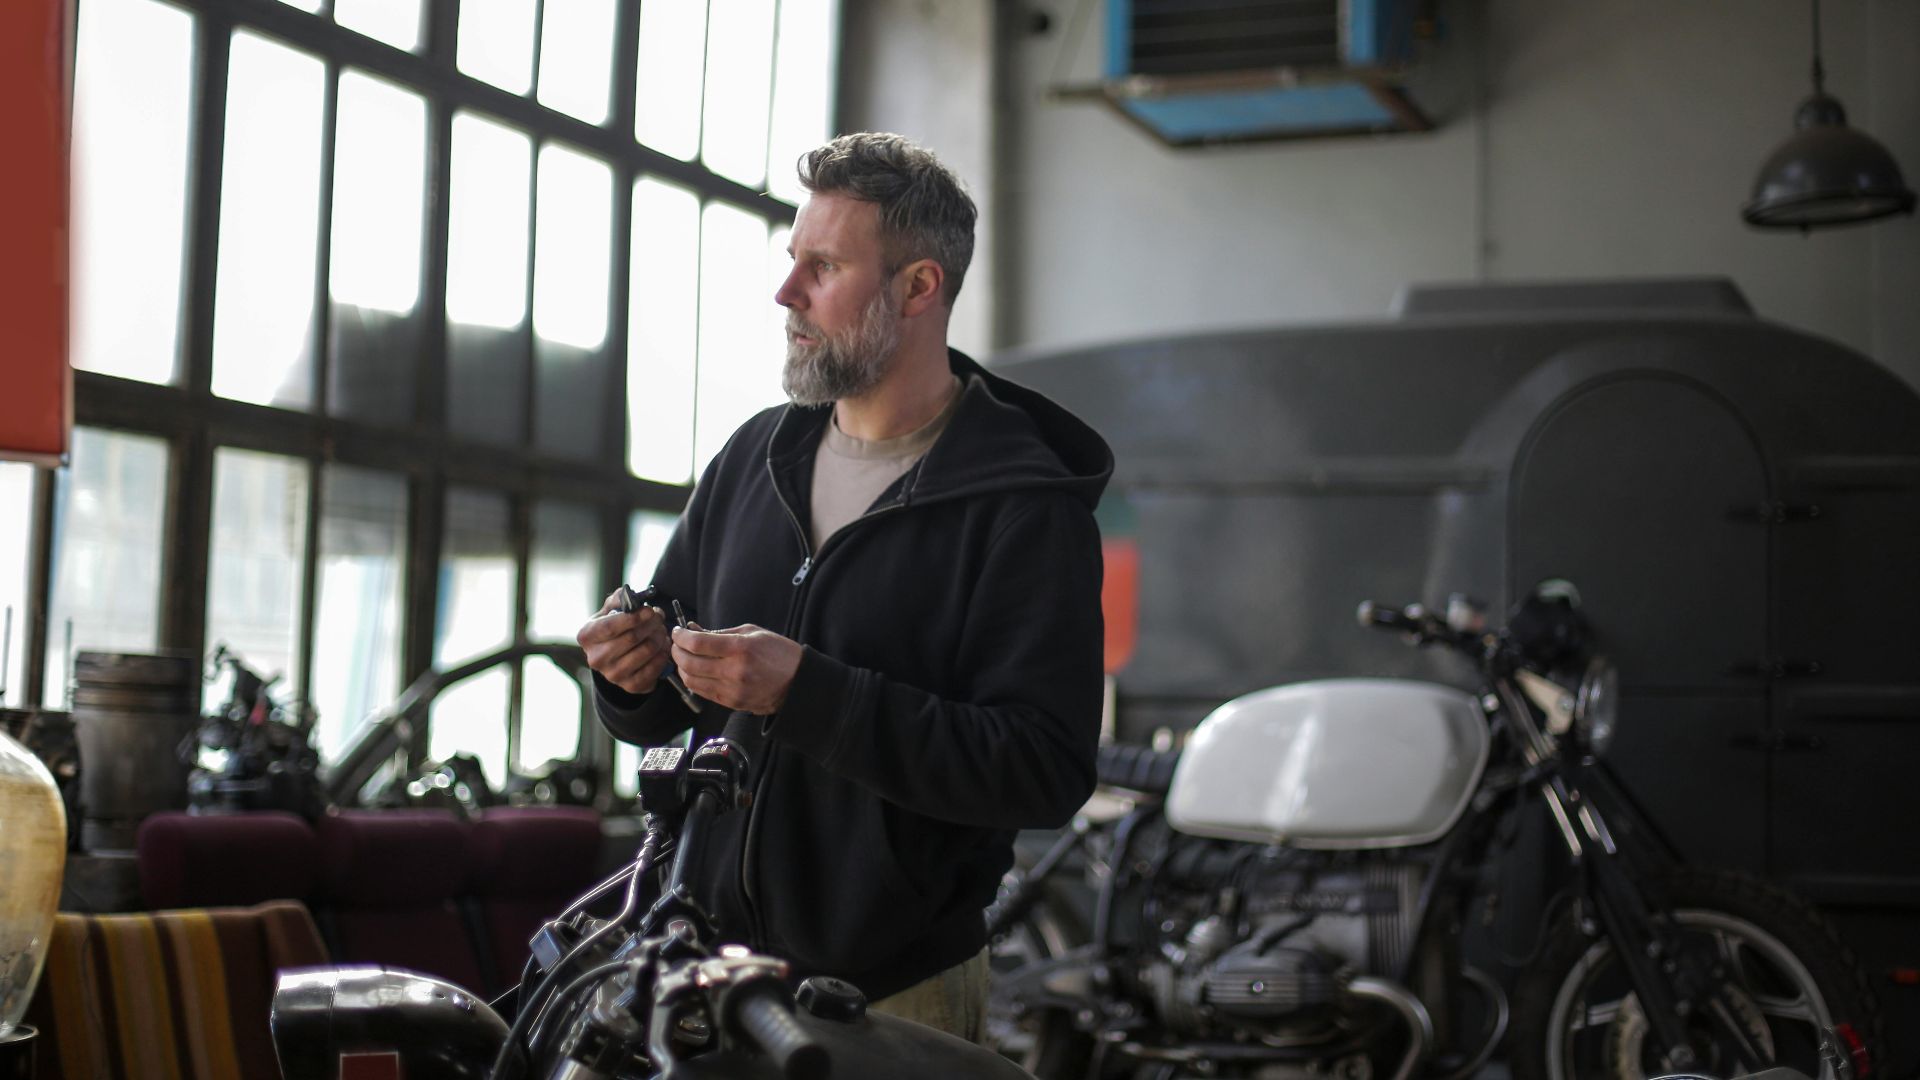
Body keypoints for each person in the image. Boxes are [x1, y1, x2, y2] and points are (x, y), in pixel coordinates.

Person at [576, 132, 1111, 1041]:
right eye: (794, 262)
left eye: (823, 266)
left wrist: (804, 692)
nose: (787, 293)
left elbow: (1042, 771)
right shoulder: (756, 455)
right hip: (702, 974)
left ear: (917, 287)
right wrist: (629, 677)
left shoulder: (1022, 507)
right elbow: (669, 709)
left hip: (895, 996)